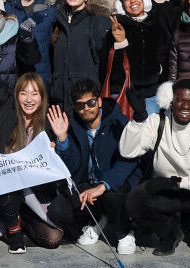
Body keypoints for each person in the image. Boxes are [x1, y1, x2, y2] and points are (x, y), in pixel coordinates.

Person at [119, 80, 190, 259]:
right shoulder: (157, 121)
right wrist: (138, 119)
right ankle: (170, 233)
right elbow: (127, 151)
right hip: (166, 189)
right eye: (180, 100)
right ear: (170, 101)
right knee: (134, 200)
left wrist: (182, 182)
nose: (185, 106)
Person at [52, 78, 143, 255]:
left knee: (111, 196)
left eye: (91, 102)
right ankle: (98, 219)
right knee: (57, 210)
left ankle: (125, 233)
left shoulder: (119, 122)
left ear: (99, 101)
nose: (86, 108)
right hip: (90, 184)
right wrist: (62, 139)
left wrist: (104, 185)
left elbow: (131, 160)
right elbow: (71, 167)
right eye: (80, 105)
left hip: (117, 184)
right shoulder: (74, 127)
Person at [0, 72, 67, 251]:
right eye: (24, 93)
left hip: (36, 196)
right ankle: (14, 232)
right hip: (10, 191)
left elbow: (65, 166)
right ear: (17, 96)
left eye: (34, 93)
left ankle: (22, 221)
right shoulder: (7, 118)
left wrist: (61, 140)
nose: (29, 99)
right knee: (12, 177)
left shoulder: (49, 123)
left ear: (42, 96)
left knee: (54, 239)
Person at [49, 0, 113, 105]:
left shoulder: (97, 20)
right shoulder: (57, 19)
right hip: (60, 95)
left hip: (85, 96)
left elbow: (104, 59)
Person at [111, 0, 166, 115]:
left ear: (144, 0)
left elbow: (165, 54)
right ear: (122, 6)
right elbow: (111, 63)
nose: (133, 1)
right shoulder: (117, 25)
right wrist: (120, 43)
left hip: (153, 92)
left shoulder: (157, 23)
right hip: (127, 93)